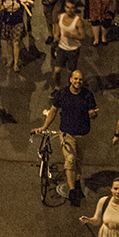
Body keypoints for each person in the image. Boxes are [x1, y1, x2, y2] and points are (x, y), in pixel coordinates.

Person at [37, 69, 97, 204]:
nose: (78, 82)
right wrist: (45, 126)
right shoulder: (63, 94)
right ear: (70, 79)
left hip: (82, 133)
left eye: (80, 79)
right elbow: (53, 110)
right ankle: (72, 190)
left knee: (78, 161)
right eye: (75, 79)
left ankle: (76, 182)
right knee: (70, 159)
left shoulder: (87, 95)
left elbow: (93, 112)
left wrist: (93, 114)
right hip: (67, 133)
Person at [53, 0, 87, 83]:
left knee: (71, 72)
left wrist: (72, 36)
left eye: (72, 8)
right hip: (62, 48)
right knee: (57, 70)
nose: (69, 10)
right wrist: (56, 36)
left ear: (75, 9)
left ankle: (69, 88)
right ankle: (57, 86)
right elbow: (58, 28)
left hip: (73, 50)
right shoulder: (61, 17)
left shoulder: (78, 21)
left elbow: (83, 36)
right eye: (67, 7)